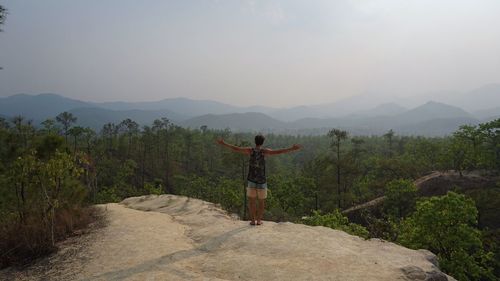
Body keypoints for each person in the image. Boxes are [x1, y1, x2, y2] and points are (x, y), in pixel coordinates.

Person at [217, 135, 301, 226]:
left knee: (251, 201)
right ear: (262, 142)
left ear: (255, 141)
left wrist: (223, 143)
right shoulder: (264, 152)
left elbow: (236, 148)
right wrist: (292, 148)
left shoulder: (250, 150)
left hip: (251, 179)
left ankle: (253, 221)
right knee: (261, 202)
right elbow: (278, 151)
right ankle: (259, 220)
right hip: (261, 181)